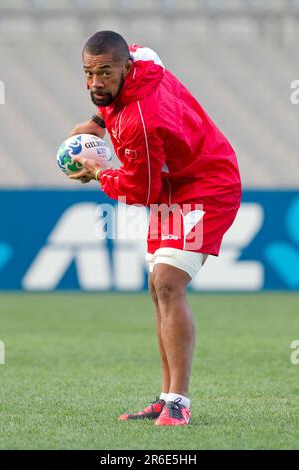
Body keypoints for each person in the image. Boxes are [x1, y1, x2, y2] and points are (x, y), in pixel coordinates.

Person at [69, 31, 242, 426]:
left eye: (105, 73)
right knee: (158, 287)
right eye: (89, 73)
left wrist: (98, 172)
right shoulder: (142, 58)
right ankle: (165, 398)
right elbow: (146, 53)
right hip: (176, 186)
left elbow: (139, 190)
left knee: (168, 282)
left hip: (207, 187)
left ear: (126, 70)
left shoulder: (139, 123)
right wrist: (97, 123)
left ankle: (179, 404)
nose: (96, 83)